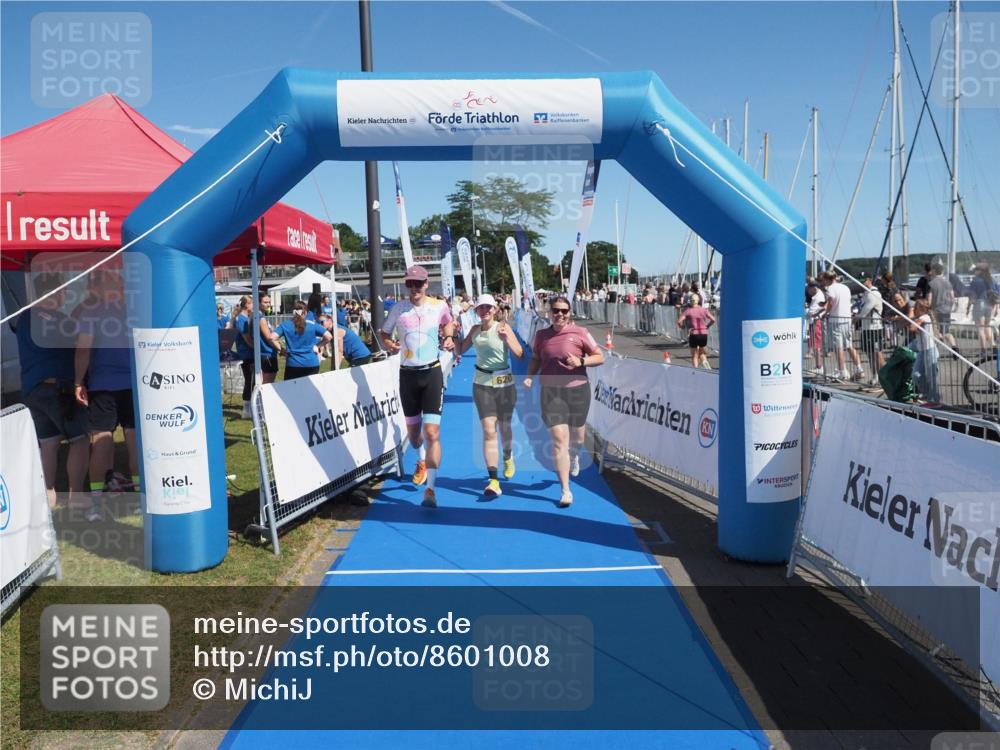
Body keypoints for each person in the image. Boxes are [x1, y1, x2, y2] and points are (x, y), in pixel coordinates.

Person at [381, 265, 456, 508]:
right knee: (414, 437)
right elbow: (384, 333)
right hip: (408, 376)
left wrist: (448, 337)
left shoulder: (438, 306)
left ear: (426, 284)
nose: (414, 288)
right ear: (406, 285)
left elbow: (449, 323)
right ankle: (421, 459)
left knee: (432, 433)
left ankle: (431, 490)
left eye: (418, 283)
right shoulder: (398, 309)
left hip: (432, 373)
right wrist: (389, 344)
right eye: (410, 284)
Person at [16, 272, 90, 510]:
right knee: (80, 440)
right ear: (54, 293)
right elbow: (82, 340)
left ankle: (48, 499)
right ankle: (76, 496)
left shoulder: (24, 317)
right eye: (63, 291)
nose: (65, 296)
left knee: (49, 444)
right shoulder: (55, 318)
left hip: (32, 389)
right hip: (56, 389)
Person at [523, 296, 603, 508]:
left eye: (564, 311)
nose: (560, 314)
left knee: (577, 438)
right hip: (551, 392)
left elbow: (599, 356)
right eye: (556, 310)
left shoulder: (580, 333)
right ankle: (565, 490)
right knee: (559, 440)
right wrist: (530, 376)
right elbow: (536, 358)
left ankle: (575, 456)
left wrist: (582, 360)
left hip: (577, 391)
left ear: (570, 313)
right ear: (549, 312)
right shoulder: (541, 335)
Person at [74, 267, 139, 520]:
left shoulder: (92, 311)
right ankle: (140, 500)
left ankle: (96, 506)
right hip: (133, 386)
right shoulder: (134, 312)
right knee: (135, 444)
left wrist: (78, 381)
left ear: (98, 289)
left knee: (101, 443)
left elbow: (82, 350)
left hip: (103, 386)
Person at [457, 294, 524, 498]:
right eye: (480, 308)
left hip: (504, 383)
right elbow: (460, 350)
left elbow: (520, 353)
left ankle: (508, 456)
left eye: (488, 307)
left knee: (504, 428)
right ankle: (493, 480)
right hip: (481, 383)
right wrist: (452, 339)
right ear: (476, 311)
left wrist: (506, 339)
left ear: (494, 310)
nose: (485, 311)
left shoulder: (503, 328)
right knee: (488, 431)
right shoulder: (475, 330)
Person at [821, 270, 864, 381]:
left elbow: (830, 303)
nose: (823, 282)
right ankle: (859, 368)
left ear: (827, 279)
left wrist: (826, 313)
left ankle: (842, 372)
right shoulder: (845, 287)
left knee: (838, 347)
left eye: (824, 280)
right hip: (847, 319)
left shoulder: (830, 289)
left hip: (836, 320)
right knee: (849, 345)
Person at [274, 301, 329, 380]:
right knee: (310, 390)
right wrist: (318, 346)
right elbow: (329, 336)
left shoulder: (286, 324)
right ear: (306, 312)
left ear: (293, 312)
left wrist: (281, 350)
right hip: (312, 363)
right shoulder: (312, 324)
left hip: (293, 364)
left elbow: (271, 338)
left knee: (292, 390)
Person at [908, 298, 939, 401]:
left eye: (915, 307)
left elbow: (912, 328)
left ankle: (934, 399)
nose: (914, 309)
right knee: (916, 374)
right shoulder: (919, 318)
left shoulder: (925, 317)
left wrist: (911, 312)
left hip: (930, 350)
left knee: (931, 377)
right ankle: (926, 394)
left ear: (920, 308)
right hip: (922, 351)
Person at [855, 276, 885, 383]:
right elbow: (861, 309)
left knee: (877, 354)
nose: (863, 283)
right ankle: (875, 376)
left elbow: (864, 312)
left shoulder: (874, 293)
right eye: (861, 281)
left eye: (864, 281)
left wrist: (855, 318)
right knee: (870, 354)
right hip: (866, 328)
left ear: (869, 280)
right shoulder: (865, 294)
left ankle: (884, 378)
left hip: (875, 328)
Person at [677, 293, 716, 369]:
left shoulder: (688, 311)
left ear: (691, 301)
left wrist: (682, 327)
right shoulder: (703, 310)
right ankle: (707, 367)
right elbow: (713, 319)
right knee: (702, 354)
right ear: (698, 301)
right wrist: (707, 326)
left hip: (693, 333)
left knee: (694, 356)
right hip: (703, 333)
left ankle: (695, 371)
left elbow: (679, 322)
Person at [969, 263, 997, 349]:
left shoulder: (975, 280)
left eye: (975, 270)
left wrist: (970, 304)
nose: (974, 272)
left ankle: (983, 350)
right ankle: (993, 345)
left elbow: (972, 296)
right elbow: (996, 293)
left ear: (979, 271)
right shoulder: (990, 279)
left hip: (979, 304)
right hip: (989, 304)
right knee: (987, 326)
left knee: (981, 328)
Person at [927, 262, 955, 347]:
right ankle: (954, 346)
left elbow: (929, 299)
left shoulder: (931, 284)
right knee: (946, 331)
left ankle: (940, 339)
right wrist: (950, 306)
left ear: (934, 271)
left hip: (936, 310)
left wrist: (928, 308)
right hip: (946, 310)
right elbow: (952, 297)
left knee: (936, 329)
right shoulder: (947, 282)